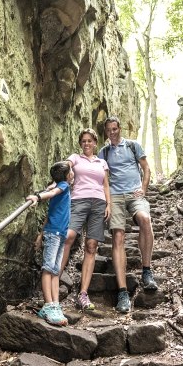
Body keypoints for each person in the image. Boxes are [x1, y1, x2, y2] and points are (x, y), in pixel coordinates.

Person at [98, 116, 158, 314]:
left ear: (119, 128)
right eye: (109, 130)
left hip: (134, 193)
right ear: (105, 131)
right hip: (115, 196)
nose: (112, 132)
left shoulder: (133, 146)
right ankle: (123, 291)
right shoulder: (104, 152)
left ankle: (147, 271)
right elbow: (102, 178)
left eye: (115, 129)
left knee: (145, 219)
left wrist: (144, 188)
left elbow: (146, 167)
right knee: (118, 235)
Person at [61, 128, 111, 311]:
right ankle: (55, 279)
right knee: (68, 236)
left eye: (90, 141)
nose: (87, 144)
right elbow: (66, 165)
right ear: (80, 144)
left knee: (91, 246)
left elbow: (106, 184)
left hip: (99, 203)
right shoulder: (75, 158)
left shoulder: (102, 162)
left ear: (95, 143)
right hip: (78, 201)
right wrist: (66, 171)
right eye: (84, 141)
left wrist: (109, 204)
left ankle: (83, 293)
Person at [27, 161, 73, 326]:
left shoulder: (61, 187)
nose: (73, 173)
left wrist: (40, 235)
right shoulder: (64, 186)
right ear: (67, 176)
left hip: (59, 234)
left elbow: (50, 212)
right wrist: (38, 197)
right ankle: (48, 305)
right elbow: (52, 192)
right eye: (71, 171)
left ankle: (55, 304)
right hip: (54, 234)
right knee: (48, 268)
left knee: (55, 270)